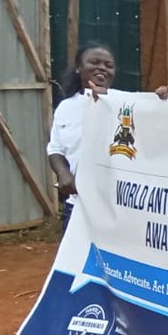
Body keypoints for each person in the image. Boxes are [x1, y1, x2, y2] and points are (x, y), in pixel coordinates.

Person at [47, 43, 116, 231]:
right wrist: (63, 173)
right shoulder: (66, 108)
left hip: (115, 209)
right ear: (79, 67)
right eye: (94, 62)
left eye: (108, 65)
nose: (102, 68)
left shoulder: (123, 106)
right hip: (76, 206)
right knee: (72, 260)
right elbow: (55, 149)